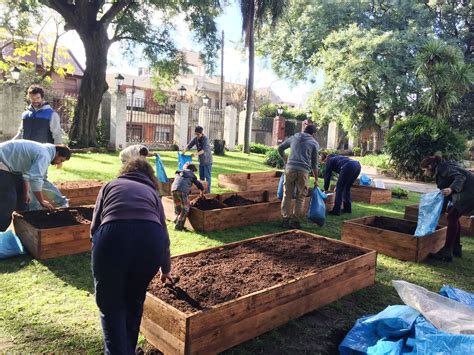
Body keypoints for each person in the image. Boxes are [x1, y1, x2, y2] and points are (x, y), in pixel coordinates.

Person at [90, 159, 172, 354]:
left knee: (111, 305)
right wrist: (166, 268)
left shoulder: (110, 185)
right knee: (134, 300)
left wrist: (100, 249)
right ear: (150, 176)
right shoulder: (153, 192)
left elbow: (95, 225)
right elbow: (164, 234)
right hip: (151, 241)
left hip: (112, 236)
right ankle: (128, 349)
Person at [0, 140, 71, 231]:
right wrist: (41, 201)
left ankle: (25, 229)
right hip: (2, 162)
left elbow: (27, 175)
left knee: (23, 200)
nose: (59, 163)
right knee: (8, 200)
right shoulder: (44, 155)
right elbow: (36, 179)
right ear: (57, 153)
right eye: (61, 160)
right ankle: (1, 231)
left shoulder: (45, 151)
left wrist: (26, 193)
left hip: (10, 167)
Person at [421, 156, 474, 262]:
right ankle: (455, 248)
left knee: (452, 216)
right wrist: (441, 211)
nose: (425, 173)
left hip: (470, 193)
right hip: (469, 191)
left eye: (425, 170)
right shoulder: (442, 169)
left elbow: (460, 177)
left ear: (430, 166)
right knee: (452, 215)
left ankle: (447, 251)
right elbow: (444, 193)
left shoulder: (444, 169)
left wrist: (451, 189)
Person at [278, 124, 320, 229]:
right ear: (313, 134)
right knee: (300, 196)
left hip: (290, 169)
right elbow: (314, 164)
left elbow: (280, 148)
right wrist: (316, 179)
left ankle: (285, 220)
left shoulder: (294, 137)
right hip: (303, 171)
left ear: (304, 130)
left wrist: (285, 159)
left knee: (287, 194)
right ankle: (295, 221)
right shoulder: (314, 143)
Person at [171, 163, 205, 231]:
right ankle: (179, 226)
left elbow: (181, 183)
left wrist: (188, 191)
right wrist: (202, 192)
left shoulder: (179, 173)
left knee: (178, 207)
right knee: (185, 208)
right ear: (192, 170)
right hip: (182, 191)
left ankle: (176, 220)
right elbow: (199, 185)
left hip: (173, 190)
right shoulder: (191, 175)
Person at [182, 126, 212, 192]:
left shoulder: (205, 139)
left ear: (201, 133)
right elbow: (190, 145)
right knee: (201, 178)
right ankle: (202, 191)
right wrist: (184, 151)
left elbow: (204, 150)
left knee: (208, 177)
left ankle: (208, 191)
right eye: (196, 134)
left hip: (207, 161)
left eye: (198, 134)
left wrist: (195, 154)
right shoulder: (196, 139)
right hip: (201, 161)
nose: (197, 136)